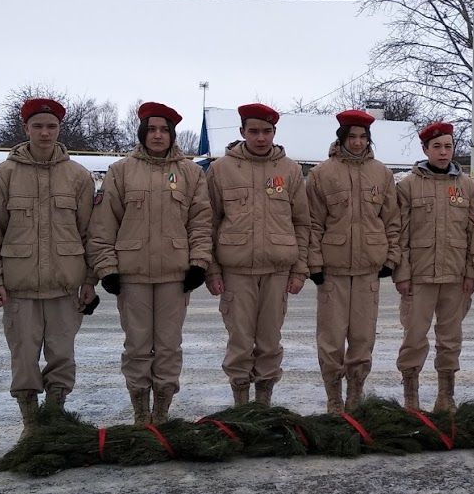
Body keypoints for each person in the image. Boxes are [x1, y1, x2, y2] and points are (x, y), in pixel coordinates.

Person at [0, 98, 98, 440]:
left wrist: (90, 279)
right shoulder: (3, 176)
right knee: (24, 357)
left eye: (51, 127)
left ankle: (55, 417)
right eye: (38, 126)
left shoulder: (78, 176)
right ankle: (31, 425)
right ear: (26, 129)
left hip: (65, 285)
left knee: (62, 355)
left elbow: (90, 232)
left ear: (59, 129)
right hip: (20, 286)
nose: (45, 133)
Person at [88, 102, 212, 424]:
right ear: (143, 132)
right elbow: (103, 225)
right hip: (132, 276)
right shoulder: (121, 171)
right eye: (152, 129)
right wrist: (107, 268)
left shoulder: (191, 173)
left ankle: (161, 412)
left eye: (164, 130)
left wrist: (198, 263)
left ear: (172, 135)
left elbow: (200, 223)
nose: (158, 135)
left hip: (175, 275)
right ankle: (141, 413)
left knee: (169, 347)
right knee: (137, 347)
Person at [205, 103, 310, 407]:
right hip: (235, 271)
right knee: (240, 342)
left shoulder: (289, 170)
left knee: (269, 342)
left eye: (266, 131)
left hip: (277, 271)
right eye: (254, 131)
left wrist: (300, 270)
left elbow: (302, 221)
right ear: (242, 133)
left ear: (274, 133)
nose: (260, 137)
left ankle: (263, 404)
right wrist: (211, 270)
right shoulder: (222, 169)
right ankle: (241, 404)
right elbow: (209, 221)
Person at [306, 109, 402, 413]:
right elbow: (312, 223)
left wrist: (391, 257)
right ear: (342, 138)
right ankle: (334, 398)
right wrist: (315, 264)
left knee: (362, 338)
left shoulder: (382, 174)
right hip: (333, 270)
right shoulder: (322, 174)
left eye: (363, 137)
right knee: (331, 338)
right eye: (352, 137)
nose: (358, 143)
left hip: (368, 270)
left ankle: (355, 395)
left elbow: (393, 221)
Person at [393, 121, 474, 412]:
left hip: (455, 277)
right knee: (414, 338)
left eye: (448, 146)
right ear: (425, 149)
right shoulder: (407, 187)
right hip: (419, 277)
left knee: (450, 339)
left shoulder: (468, 187)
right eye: (437, 147)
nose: (443, 152)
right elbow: (399, 234)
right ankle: (411, 397)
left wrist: (471, 272)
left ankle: (446, 396)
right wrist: (402, 274)